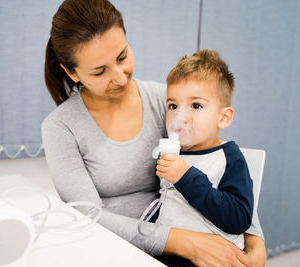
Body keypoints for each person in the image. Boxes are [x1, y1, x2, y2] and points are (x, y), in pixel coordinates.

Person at [41, 0, 267, 266]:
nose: (120, 77)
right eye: (100, 71)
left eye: (122, 56)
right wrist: (182, 242)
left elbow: (220, 165)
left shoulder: (169, 103)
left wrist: (254, 238)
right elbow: (88, 215)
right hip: (111, 251)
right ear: (72, 72)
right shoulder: (60, 127)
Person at [149, 49, 254, 266]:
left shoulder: (229, 159)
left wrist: (186, 178)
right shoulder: (174, 153)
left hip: (208, 259)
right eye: (173, 106)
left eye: (196, 106)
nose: (180, 117)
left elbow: (239, 219)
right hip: (167, 250)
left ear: (223, 117)